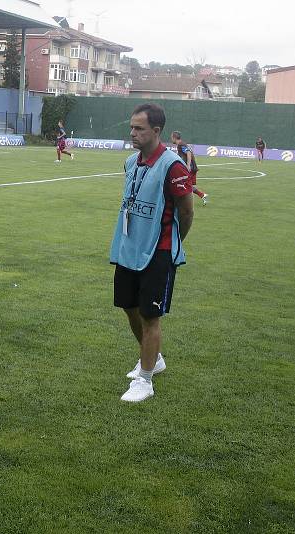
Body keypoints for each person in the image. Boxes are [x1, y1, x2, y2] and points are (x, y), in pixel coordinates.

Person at [110, 103, 194, 403]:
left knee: (150, 315)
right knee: (128, 306)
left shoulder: (173, 166)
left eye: (139, 129)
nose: (133, 133)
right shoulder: (131, 162)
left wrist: (172, 244)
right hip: (129, 247)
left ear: (156, 131)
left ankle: (145, 381)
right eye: (131, 127)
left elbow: (186, 212)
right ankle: (153, 359)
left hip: (159, 250)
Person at [170, 131, 208, 205]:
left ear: (174, 137)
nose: (171, 139)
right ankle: (202, 195)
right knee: (189, 186)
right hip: (193, 168)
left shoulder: (181, 145)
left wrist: (188, 165)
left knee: (181, 184)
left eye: (171, 138)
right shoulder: (182, 144)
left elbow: (188, 152)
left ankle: (178, 201)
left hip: (190, 168)